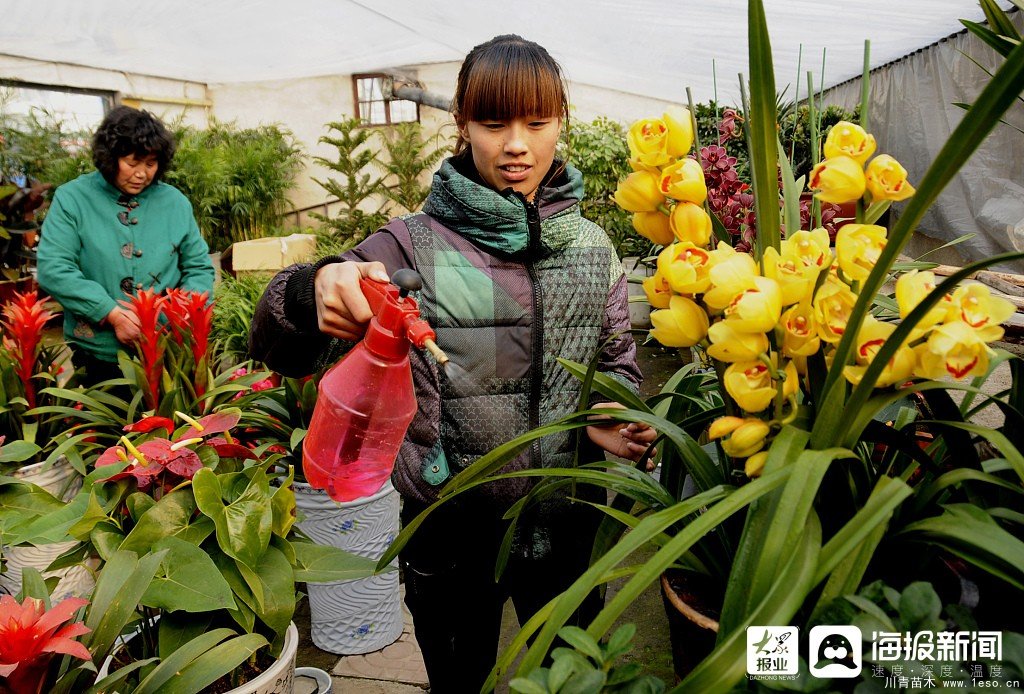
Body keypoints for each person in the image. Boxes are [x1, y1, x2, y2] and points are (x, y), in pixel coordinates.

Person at [249, 34, 656, 692]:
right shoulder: (411, 246)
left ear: (562, 124)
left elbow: (616, 363)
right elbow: (278, 339)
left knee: (574, 678)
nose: (516, 144)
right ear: (463, 126)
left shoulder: (592, 248)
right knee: (460, 677)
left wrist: (608, 415)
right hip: (450, 535)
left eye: (536, 122)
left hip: (568, 523)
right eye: (493, 123)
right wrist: (310, 289)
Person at [37, 105, 215, 385]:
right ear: (110, 158)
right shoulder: (73, 198)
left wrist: (176, 316)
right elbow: (53, 268)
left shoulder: (175, 202)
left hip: (169, 348)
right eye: (132, 163)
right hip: (97, 351)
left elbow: (199, 268)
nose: (142, 173)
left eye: (151, 164)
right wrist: (111, 313)